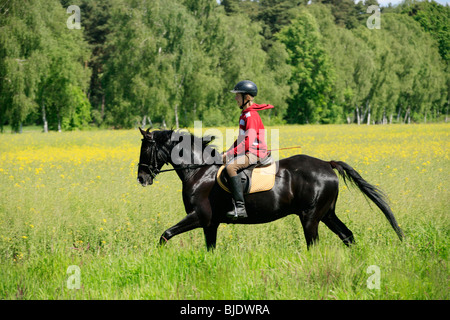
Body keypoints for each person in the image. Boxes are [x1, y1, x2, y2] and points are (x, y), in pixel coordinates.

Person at [222, 80, 274, 219]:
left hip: (255, 154)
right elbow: (240, 139)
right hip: (249, 151)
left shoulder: (251, 116)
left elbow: (248, 141)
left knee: (231, 168)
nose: (235, 98)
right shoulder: (245, 114)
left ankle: (240, 208)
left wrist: (230, 155)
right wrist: (227, 152)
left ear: (247, 97)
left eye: (238, 95)